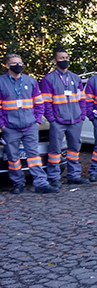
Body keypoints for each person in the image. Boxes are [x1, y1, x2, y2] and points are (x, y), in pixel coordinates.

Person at [0, 54, 57, 194]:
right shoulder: (1, 82)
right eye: (14, 63)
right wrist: (2, 125)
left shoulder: (30, 81)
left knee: (34, 156)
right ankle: (18, 183)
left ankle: (41, 183)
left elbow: (39, 103)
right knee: (13, 158)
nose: (18, 65)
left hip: (30, 125)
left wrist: (37, 120)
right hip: (11, 127)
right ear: (7, 65)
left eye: (20, 62)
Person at [40, 48, 88, 188]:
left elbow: (82, 99)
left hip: (75, 119)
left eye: (66, 57)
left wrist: (82, 115)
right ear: (55, 60)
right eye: (61, 58)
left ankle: (74, 175)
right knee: (55, 150)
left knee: (74, 149)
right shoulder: (48, 79)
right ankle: (54, 177)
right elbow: (46, 102)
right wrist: (52, 119)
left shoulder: (75, 78)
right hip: (58, 121)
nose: (65, 60)